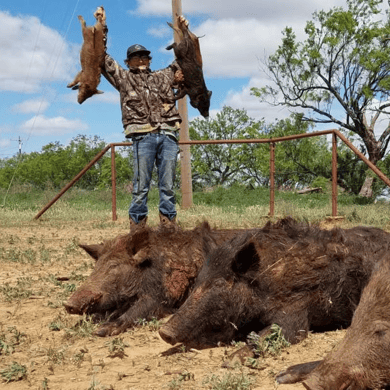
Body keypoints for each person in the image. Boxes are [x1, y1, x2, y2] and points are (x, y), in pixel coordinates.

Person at [101, 30, 187, 230]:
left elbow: (183, 58)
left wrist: (183, 32)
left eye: (144, 56)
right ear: (128, 61)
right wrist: (102, 28)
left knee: (168, 185)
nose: (140, 60)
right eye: (135, 57)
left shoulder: (163, 76)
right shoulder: (123, 78)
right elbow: (102, 58)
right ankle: (138, 227)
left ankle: (168, 224)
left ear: (149, 59)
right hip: (142, 136)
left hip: (167, 134)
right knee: (141, 186)